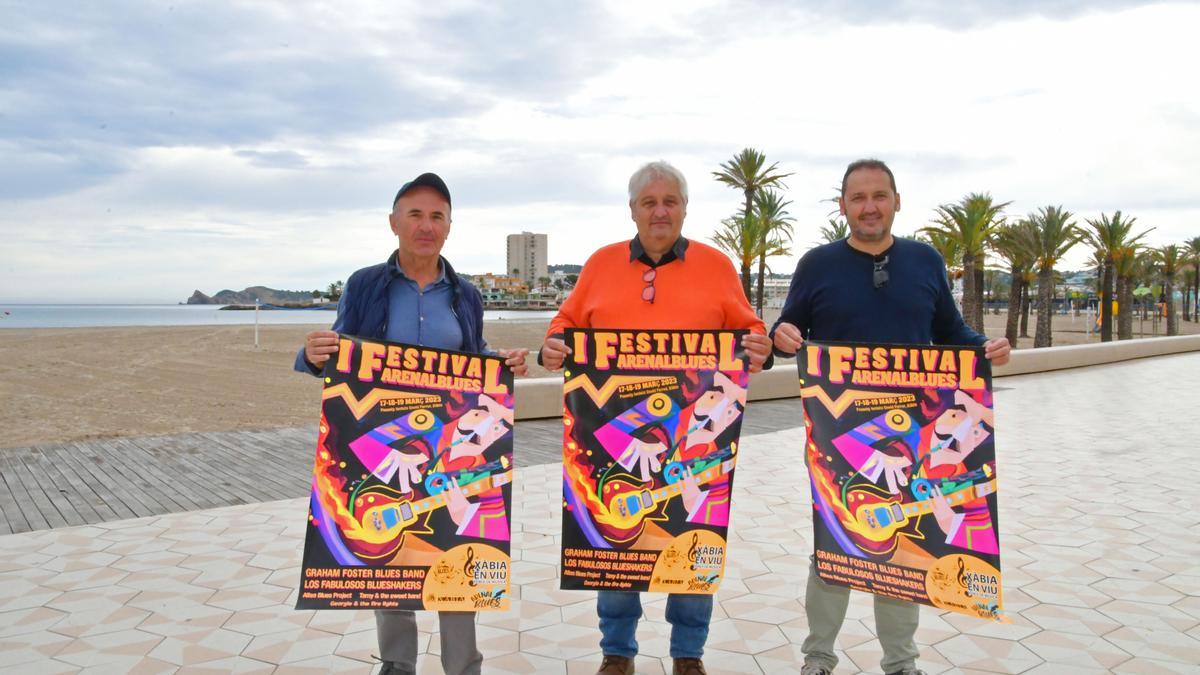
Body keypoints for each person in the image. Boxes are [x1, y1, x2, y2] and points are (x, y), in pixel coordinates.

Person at [770, 158, 1010, 675]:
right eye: (858, 197)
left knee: (903, 545)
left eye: (880, 195)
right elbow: (788, 327)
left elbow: (950, 331)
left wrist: (983, 347)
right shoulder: (817, 264)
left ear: (897, 201)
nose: (870, 206)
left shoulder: (926, 261)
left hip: (912, 437)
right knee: (834, 546)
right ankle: (818, 659)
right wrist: (781, 336)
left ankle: (901, 663)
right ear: (842, 207)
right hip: (838, 437)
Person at [539, 160, 774, 675]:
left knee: (692, 538)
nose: (660, 211)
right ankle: (616, 651)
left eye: (670, 202)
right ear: (633, 210)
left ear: (685, 209)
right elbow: (566, 323)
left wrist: (760, 345)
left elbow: (750, 329)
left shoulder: (716, 266)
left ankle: (688, 654)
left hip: (697, 440)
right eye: (650, 203)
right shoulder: (600, 264)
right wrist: (552, 345)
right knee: (613, 541)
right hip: (614, 438)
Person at [295, 172, 529, 675]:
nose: (426, 225)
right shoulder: (364, 285)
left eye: (437, 216)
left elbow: (474, 356)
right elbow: (341, 350)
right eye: (416, 214)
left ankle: (463, 666)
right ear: (394, 223)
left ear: (449, 227)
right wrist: (312, 355)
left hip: (453, 440)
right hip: (388, 444)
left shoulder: (465, 293)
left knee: (458, 550)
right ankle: (397, 665)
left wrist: (500, 362)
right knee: (389, 561)